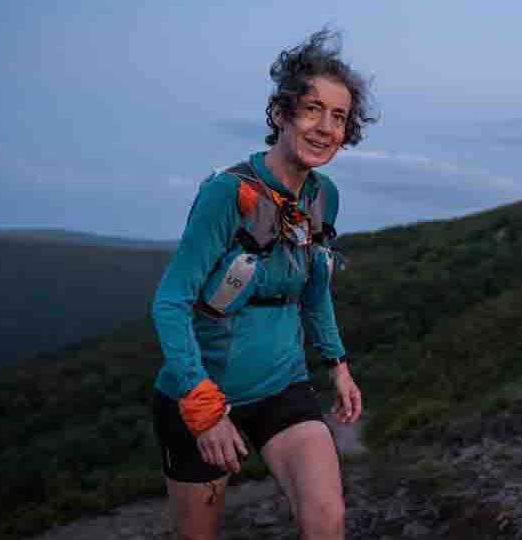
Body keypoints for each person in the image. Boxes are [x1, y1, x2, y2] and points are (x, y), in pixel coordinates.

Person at [150, 28, 374, 540]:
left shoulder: (323, 197)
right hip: (201, 394)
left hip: (283, 386)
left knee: (327, 519)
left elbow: (314, 287)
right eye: (312, 109)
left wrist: (337, 365)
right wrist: (204, 410)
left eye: (339, 117)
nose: (326, 127)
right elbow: (170, 302)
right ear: (280, 114)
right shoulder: (226, 194)